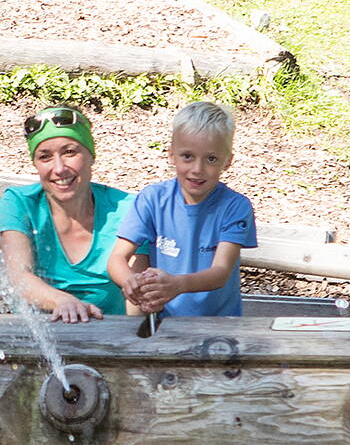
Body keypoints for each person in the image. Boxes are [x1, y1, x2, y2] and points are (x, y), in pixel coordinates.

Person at [108, 101, 257, 317]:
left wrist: (177, 285)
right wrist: (131, 283)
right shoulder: (152, 199)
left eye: (211, 159)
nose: (198, 169)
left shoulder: (235, 206)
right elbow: (117, 258)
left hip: (220, 326)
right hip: (164, 323)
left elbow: (220, 272)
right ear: (171, 155)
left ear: (227, 161)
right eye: (188, 156)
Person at [0, 105, 134, 322]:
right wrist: (63, 301)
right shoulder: (20, 202)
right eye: (45, 157)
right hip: (39, 341)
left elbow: (136, 296)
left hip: (113, 337)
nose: (59, 168)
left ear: (91, 156)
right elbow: (18, 276)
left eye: (70, 152)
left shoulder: (127, 208)